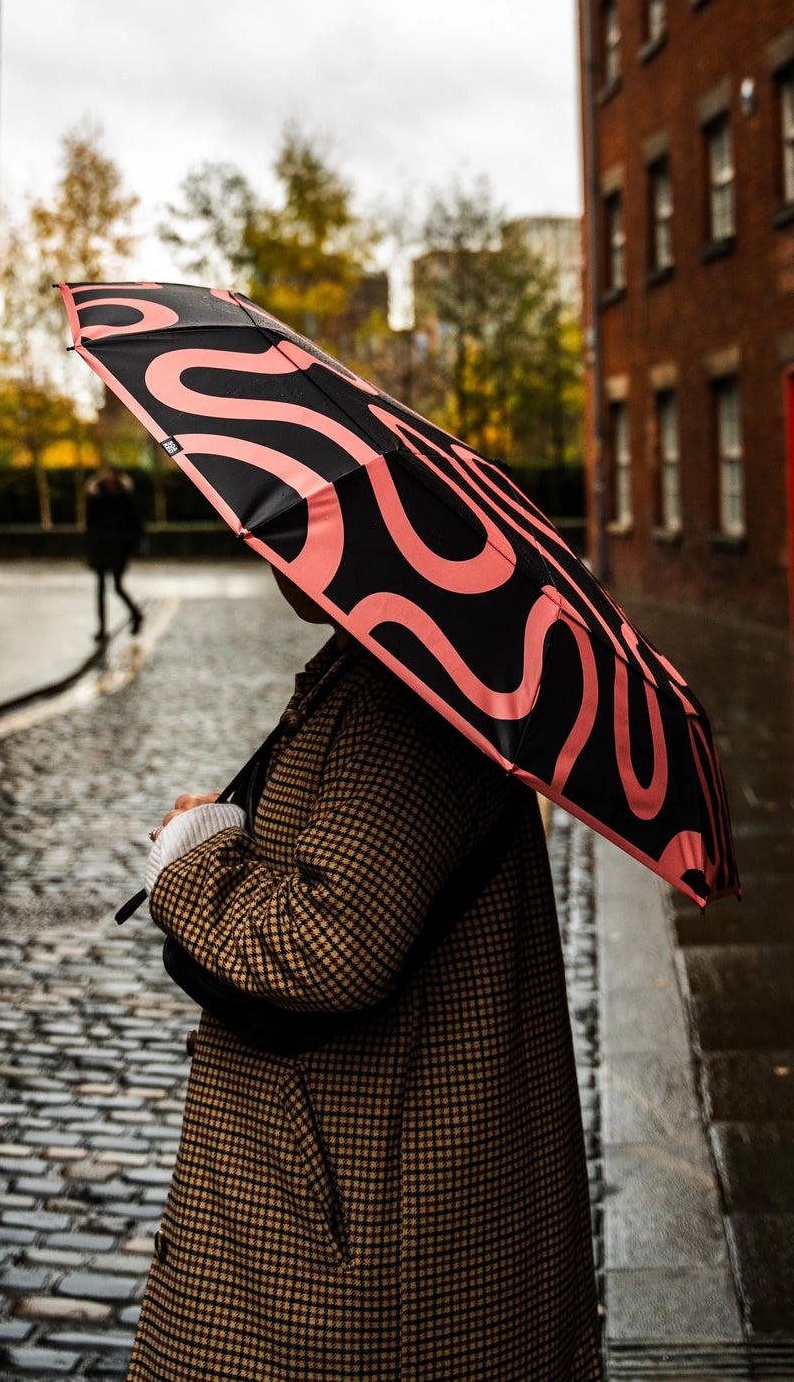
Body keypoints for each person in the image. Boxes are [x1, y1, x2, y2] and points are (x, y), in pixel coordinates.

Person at [124, 567, 603, 1382]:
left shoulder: (400, 700)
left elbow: (329, 945)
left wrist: (193, 855)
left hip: (345, 1223)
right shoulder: (387, 668)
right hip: (354, 1190)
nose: (267, 552)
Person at [85, 467, 144, 640]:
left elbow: (136, 523)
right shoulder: (95, 495)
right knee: (101, 588)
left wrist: (131, 544)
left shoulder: (125, 496)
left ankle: (136, 614)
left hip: (119, 547)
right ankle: (102, 628)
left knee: (118, 586)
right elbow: (90, 524)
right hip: (100, 547)